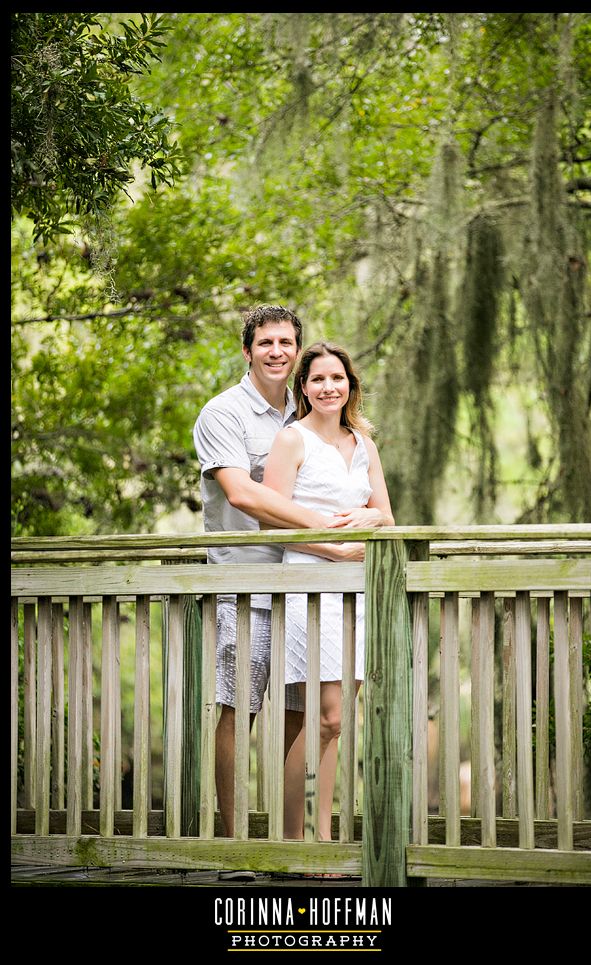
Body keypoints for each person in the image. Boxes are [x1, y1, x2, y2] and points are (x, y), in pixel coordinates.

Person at [193, 306, 353, 877]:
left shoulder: (306, 410)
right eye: (266, 342)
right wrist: (330, 536)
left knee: (298, 714)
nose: (277, 351)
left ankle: (292, 844)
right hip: (246, 584)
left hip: (305, 587)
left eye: (287, 342)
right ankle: (237, 849)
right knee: (240, 709)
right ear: (247, 351)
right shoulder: (223, 413)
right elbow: (243, 497)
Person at [262, 341, 394, 842]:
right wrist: (335, 551)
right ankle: (294, 839)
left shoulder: (363, 443)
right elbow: (273, 519)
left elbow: (387, 514)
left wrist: (370, 516)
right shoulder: (292, 440)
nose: (328, 387)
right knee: (328, 717)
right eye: (317, 379)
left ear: (350, 386)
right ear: (303, 387)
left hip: (355, 593)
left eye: (337, 378)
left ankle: (322, 838)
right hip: (309, 586)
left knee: (334, 724)